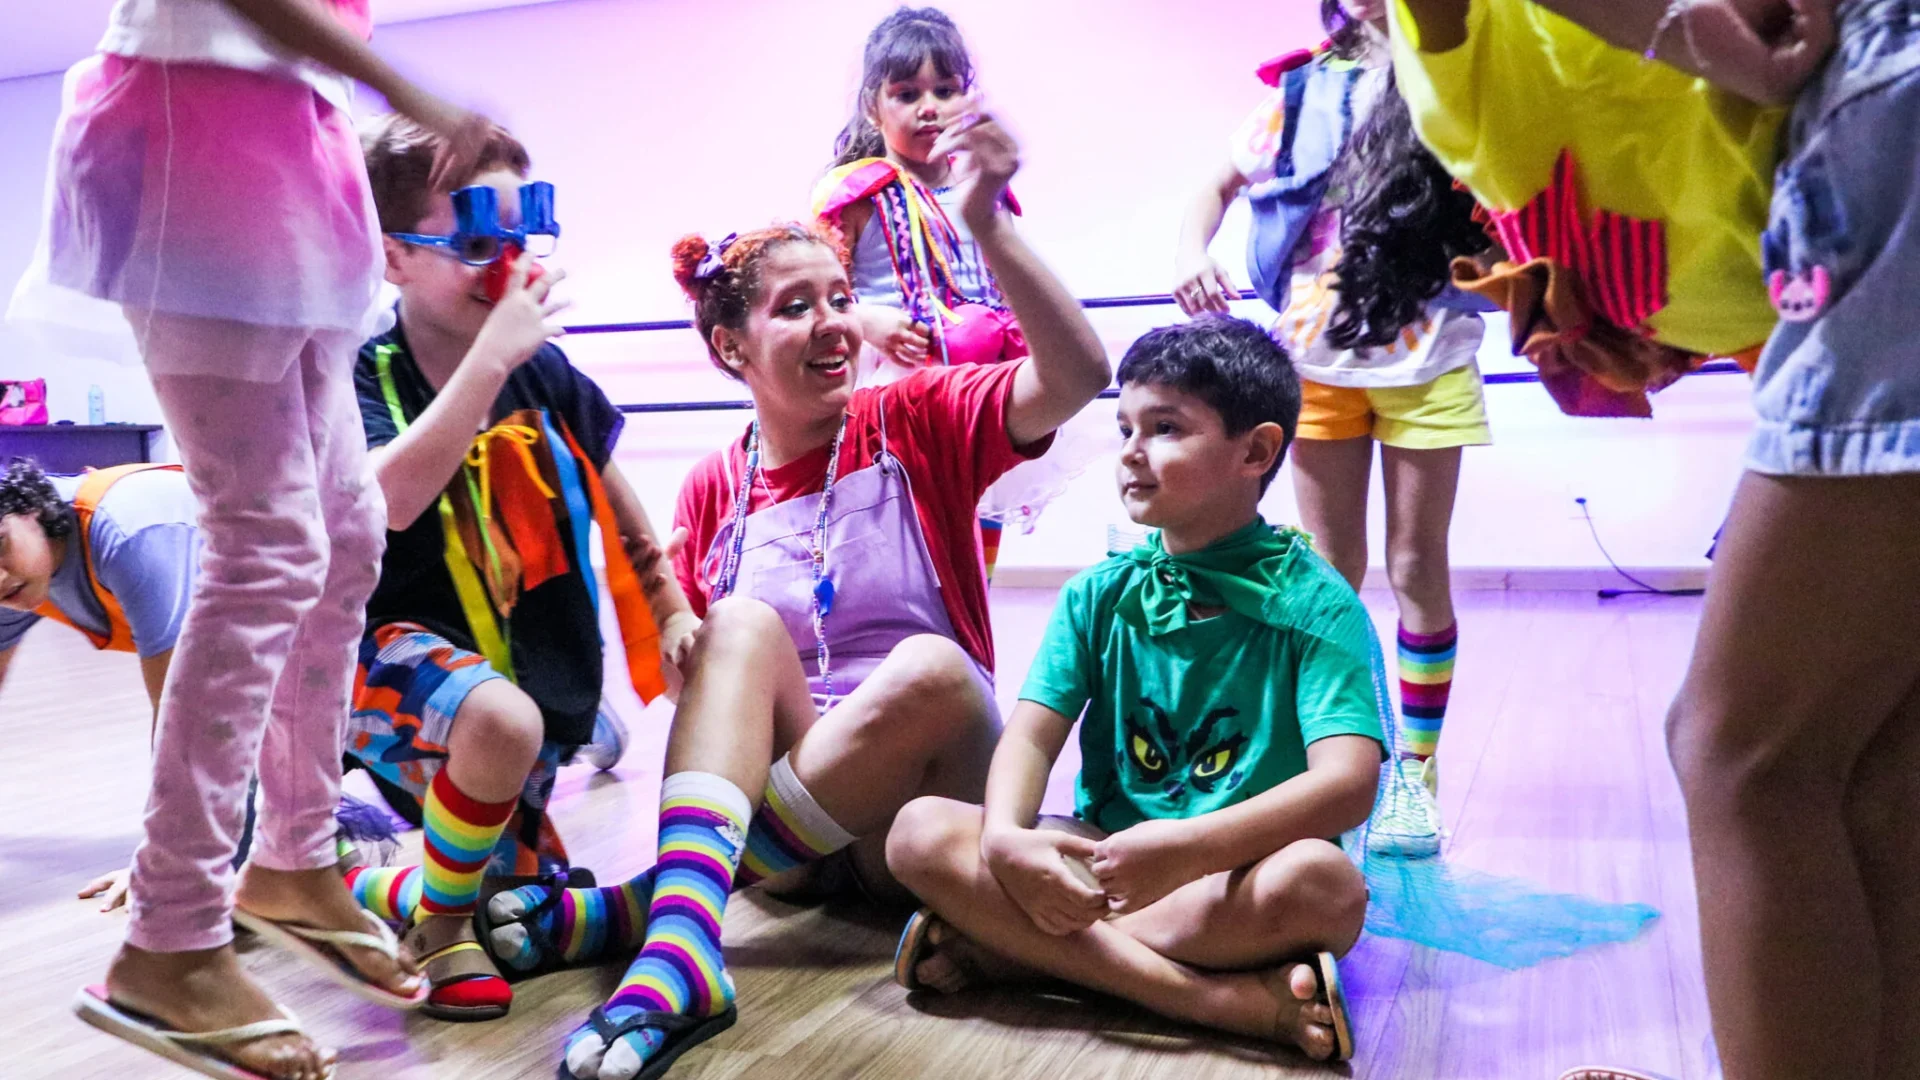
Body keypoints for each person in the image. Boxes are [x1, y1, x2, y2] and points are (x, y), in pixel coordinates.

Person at [474, 107, 1108, 1080]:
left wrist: (988, 222)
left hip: (925, 807)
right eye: (796, 307)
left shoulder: (918, 414)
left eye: (839, 298)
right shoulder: (712, 488)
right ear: (731, 348)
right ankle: (683, 951)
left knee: (933, 669)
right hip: (797, 852)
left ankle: (645, 914)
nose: (833, 324)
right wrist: (686, 647)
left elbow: (1078, 377)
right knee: (735, 621)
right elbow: (708, 705)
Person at [1392, 2, 1920, 1079]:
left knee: (1741, 755)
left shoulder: (1478, 108)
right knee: (1875, 768)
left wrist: (1674, 27)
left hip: (1887, 92)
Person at [9, 0, 497, 1074]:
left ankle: (294, 860)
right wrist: (409, 93)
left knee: (345, 532)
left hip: (289, 158)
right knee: (265, 545)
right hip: (199, 145)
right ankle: (170, 938)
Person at [886, 316, 1380, 1063]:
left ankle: (1019, 951)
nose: (1130, 452)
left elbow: (1347, 785)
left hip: (1236, 875)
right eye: (1125, 428)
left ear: (1256, 451)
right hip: (1108, 860)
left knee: (1324, 887)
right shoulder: (1098, 593)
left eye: (1166, 428)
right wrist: (1006, 839)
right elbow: (1030, 737)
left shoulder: (1317, 604)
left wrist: (1187, 849)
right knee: (919, 831)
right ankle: (1219, 1002)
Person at [333, 113, 694, 1023]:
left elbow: (620, 507)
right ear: (392, 257)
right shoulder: (363, 374)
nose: (505, 265)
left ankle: (353, 878)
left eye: (518, 236)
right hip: (372, 667)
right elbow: (389, 499)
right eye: (472, 243)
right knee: (501, 725)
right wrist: (490, 361)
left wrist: (671, 610)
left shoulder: (551, 377)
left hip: (518, 691)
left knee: (519, 910)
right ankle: (438, 928)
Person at [1174, 0, 1495, 856]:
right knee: (1330, 572)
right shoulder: (1304, 89)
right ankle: (1327, 763)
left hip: (1432, 356)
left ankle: (1414, 777)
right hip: (1316, 362)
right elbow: (1215, 184)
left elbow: (1522, 188)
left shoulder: (1456, 70)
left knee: (1418, 565)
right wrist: (1189, 252)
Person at [0, 458, 392, 914]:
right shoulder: (18, 577)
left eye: (0, 544)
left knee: (216, 887)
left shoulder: (126, 534)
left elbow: (183, 719)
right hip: (273, 639)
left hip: (349, 609)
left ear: (31, 510)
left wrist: (160, 858)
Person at [814, 5, 1097, 571]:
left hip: (986, 383)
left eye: (945, 90)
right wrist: (866, 319)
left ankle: (975, 612)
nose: (929, 107)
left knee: (979, 525)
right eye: (906, 93)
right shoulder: (853, 192)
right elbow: (818, 293)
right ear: (872, 105)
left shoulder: (986, 191)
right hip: (898, 387)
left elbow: (1011, 283)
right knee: (904, 539)